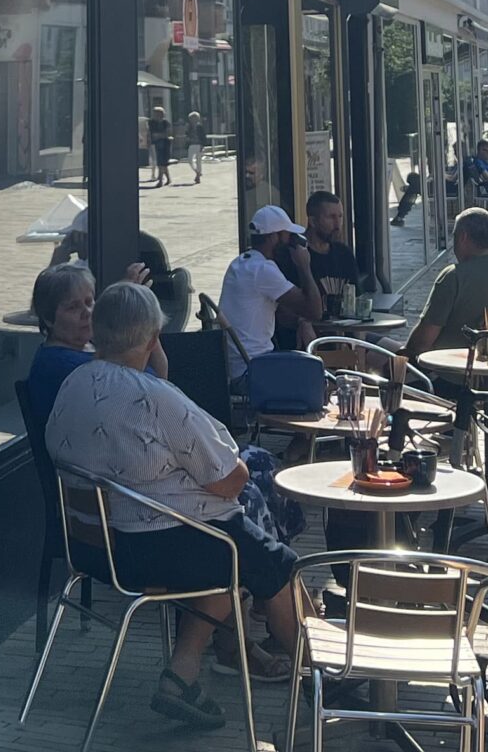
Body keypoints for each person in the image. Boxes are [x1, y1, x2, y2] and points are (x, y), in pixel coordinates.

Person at [44, 282, 305, 726]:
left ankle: (180, 678)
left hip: (95, 547)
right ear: (153, 338)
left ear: (98, 333)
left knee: (226, 567)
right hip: (155, 547)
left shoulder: (74, 384)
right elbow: (230, 480)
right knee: (277, 565)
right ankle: (321, 678)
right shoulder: (156, 399)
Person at [24, 260, 168, 423]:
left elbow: (158, 382)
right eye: (73, 307)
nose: (87, 312)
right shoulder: (63, 366)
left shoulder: (91, 346)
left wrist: (142, 316)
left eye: (89, 302)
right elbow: (153, 387)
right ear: (48, 319)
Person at [403, 207, 488, 358]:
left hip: (449, 368)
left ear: (463, 237)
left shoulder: (454, 277)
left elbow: (420, 344)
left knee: (379, 347)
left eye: (454, 236)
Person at [218, 206, 323, 372]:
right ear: (274, 237)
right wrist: (304, 266)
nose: (291, 242)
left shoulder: (240, 263)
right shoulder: (263, 270)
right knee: (314, 369)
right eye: (288, 236)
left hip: (237, 366)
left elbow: (282, 313)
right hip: (254, 368)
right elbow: (314, 311)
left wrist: (301, 322)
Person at [302, 188, 377, 317]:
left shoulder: (344, 253)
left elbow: (357, 299)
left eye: (340, 216)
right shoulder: (298, 255)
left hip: (344, 325)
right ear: (312, 221)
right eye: (331, 217)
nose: (337, 225)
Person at [146, 103, 173, 189]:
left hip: (165, 144)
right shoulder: (151, 123)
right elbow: (150, 133)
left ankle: (162, 180)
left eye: (158, 114)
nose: (156, 116)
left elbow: (169, 134)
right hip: (156, 144)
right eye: (155, 114)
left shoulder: (166, 123)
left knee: (163, 162)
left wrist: (159, 135)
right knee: (160, 163)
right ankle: (165, 179)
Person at [184, 106, 208, 184]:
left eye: (194, 118)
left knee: (198, 161)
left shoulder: (200, 126)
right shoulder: (189, 127)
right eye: (191, 118)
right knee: (190, 160)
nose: (193, 120)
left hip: (199, 144)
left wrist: (203, 145)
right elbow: (186, 135)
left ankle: (198, 177)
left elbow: (204, 136)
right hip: (191, 144)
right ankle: (197, 172)